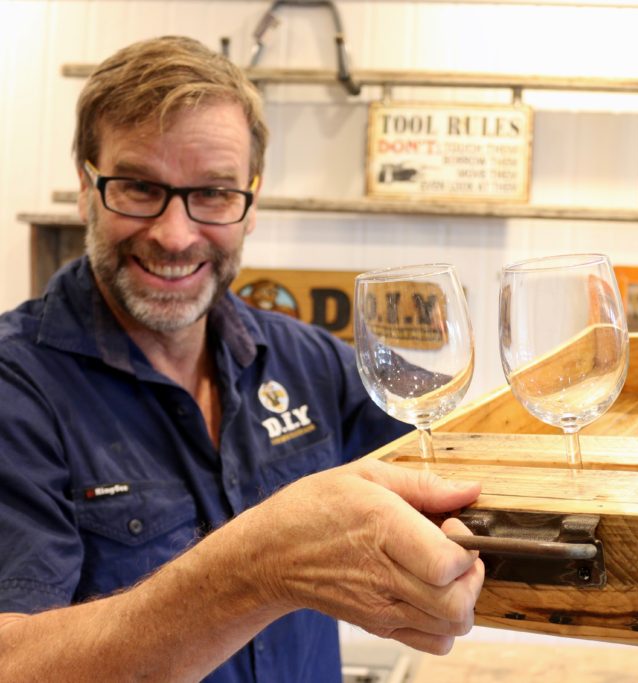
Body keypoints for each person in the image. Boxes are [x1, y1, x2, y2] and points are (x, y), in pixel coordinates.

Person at [0, 35, 484, 682]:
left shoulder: (307, 360)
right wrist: (260, 566)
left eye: (214, 193)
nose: (175, 235)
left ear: (252, 201)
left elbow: (469, 455)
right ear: (86, 187)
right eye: (139, 187)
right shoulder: (16, 391)